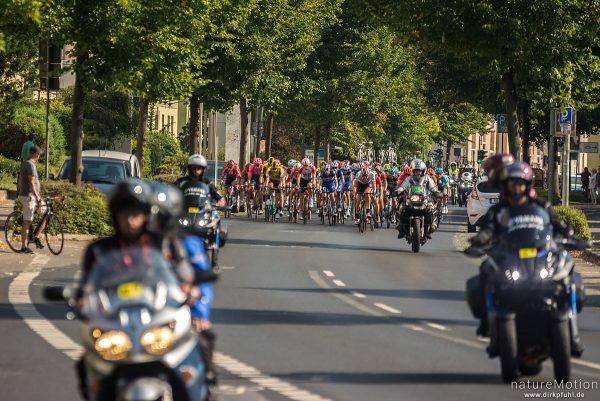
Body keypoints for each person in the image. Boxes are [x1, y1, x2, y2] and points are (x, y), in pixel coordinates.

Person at [76, 180, 196, 400]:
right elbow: (86, 286)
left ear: (146, 215)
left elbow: (183, 274)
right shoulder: (99, 250)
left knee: (197, 343)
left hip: (156, 314)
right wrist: (81, 300)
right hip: (115, 319)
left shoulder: (163, 243)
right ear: (115, 216)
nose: (130, 220)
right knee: (87, 362)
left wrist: (189, 288)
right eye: (124, 214)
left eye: (136, 214)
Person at [467, 162, 582, 356]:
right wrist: (479, 240)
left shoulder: (541, 206)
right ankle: (488, 323)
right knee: (485, 273)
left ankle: (573, 336)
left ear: (527, 185)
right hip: (511, 258)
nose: (517, 188)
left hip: (540, 257)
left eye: (520, 183)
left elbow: (557, 224)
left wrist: (570, 235)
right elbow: (488, 231)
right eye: (513, 184)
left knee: (568, 278)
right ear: (507, 186)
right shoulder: (499, 210)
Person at [18, 145, 46, 253]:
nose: (39, 156)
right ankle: (24, 247)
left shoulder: (25, 163)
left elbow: (21, 179)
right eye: (39, 154)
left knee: (46, 212)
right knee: (27, 221)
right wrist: (37, 196)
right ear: (35, 154)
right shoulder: (30, 165)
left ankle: (36, 236)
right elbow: (31, 183)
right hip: (29, 196)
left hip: (29, 195)